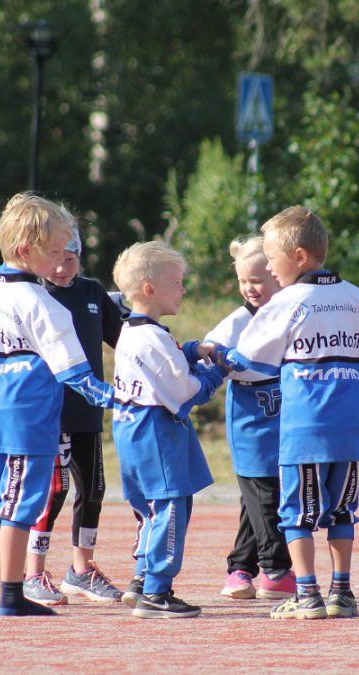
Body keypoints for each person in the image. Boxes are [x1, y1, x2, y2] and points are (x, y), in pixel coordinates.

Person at [221, 206, 359, 620]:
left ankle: (307, 594)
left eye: (273, 260)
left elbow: (246, 360)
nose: (270, 270)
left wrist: (209, 354)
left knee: (294, 514)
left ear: (299, 257)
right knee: (342, 510)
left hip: (303, 429)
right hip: (352, 427)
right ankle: (342, 592)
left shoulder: (285, 304)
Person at [0, 194, 114, 616]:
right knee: (21, 506)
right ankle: (10, 593)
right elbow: (77, 376)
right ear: (26, 251)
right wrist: (123, 400)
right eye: (54, 250)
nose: (61, 259)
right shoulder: (43, 305)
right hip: (32, 421)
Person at [110, 240, 227, 618]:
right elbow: (185, 393)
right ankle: (157, 592)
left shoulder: (133, 329)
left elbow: (169, 355)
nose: (182, 289)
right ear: (150, 289)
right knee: (171, 505)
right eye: (176, 283)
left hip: (130, 427)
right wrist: (217, 371)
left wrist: (194, 350)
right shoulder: (152, 337)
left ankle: (142, 577)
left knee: (150, 508)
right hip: (155, 429)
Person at [21, 227, 128, 606]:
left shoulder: (92, 292)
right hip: (52, 412)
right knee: (54, 491)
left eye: (71, 259)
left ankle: (81, 570)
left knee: (94, 488)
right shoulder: (34, 294)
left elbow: (125, 337)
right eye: (56, 258)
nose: (63, 268)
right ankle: (33, 572)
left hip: (88, 408)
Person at [203, 236, 295, 601]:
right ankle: (276, 569)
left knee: (255, 500)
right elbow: (206, 355)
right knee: (264, 494)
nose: (249, 289)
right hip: (250, 421)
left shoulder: (292, 311)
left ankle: (240, 569)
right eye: (243, 282)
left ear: (277, 277)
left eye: (257, 280)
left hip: (285, 422)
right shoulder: (236, 324)